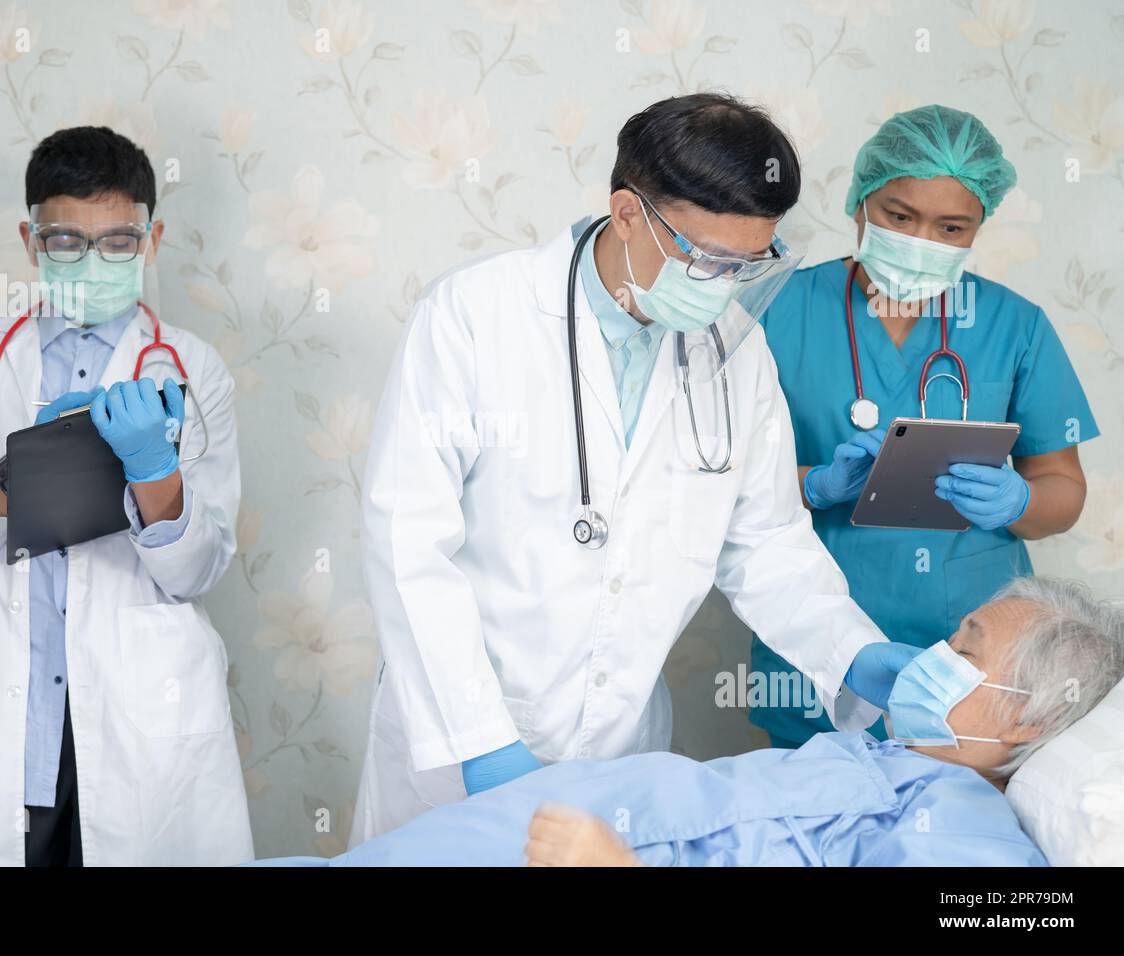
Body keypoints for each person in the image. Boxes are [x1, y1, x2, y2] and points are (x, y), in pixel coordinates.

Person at [351, 93, 921, 845]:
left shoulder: (735, 352)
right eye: (707, 258)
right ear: (627, 213)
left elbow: (767, 540)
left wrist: (852, 651)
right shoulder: (475, 316)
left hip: (618, 747)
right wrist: (478, 739)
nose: (723, 284)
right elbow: (406, 543)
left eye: (749, 264)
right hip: (461, 738)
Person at [0, 126, 251, 866]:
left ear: (151, 240)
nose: (93, 260)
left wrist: (155, 470)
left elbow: (198, 570)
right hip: (13, 724)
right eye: (66, 242)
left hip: (142, 723)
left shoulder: (195, 369)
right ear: (31, 242)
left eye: (118, 242)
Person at [256, 577, 1122, 866]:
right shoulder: (881, 759)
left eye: (964, 650)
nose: (935, 653)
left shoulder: (967, 829)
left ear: (1030, 719)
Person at [749, 105, 1099, 749]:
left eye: (952, 225)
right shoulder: (776, 308)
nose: (921, 238)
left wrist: (1017, 501)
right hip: (813, 639)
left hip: (973, 657)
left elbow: (1063, 491)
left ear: (978, 228)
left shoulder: (1015, 325)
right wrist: (815, 484)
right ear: (860, 201)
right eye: (899, 215)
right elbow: (718, 480)